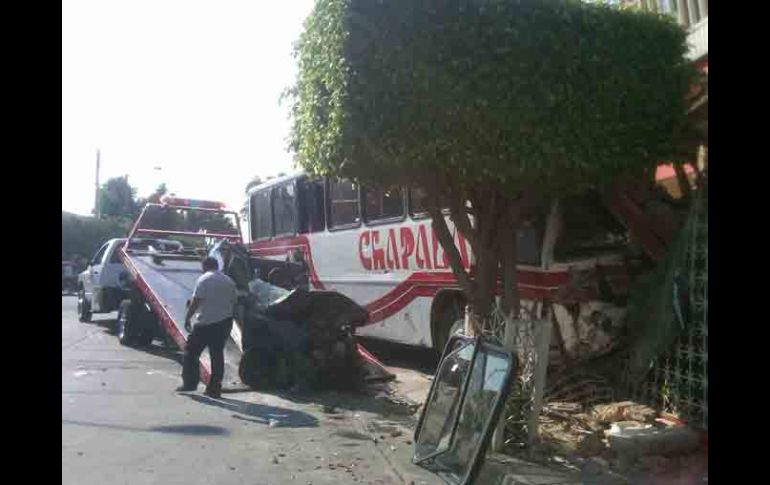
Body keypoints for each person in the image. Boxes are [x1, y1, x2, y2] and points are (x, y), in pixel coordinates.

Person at [177, 257, 236, 398]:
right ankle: (214, 389)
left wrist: (187, 317)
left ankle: (190, 383)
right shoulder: (228, 281)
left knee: (191, 351)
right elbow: (233, 301)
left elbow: (196, 301)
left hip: (206, 324)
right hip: (224, 323)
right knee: (217, 355)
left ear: (205, 266)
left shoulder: (204, 280)